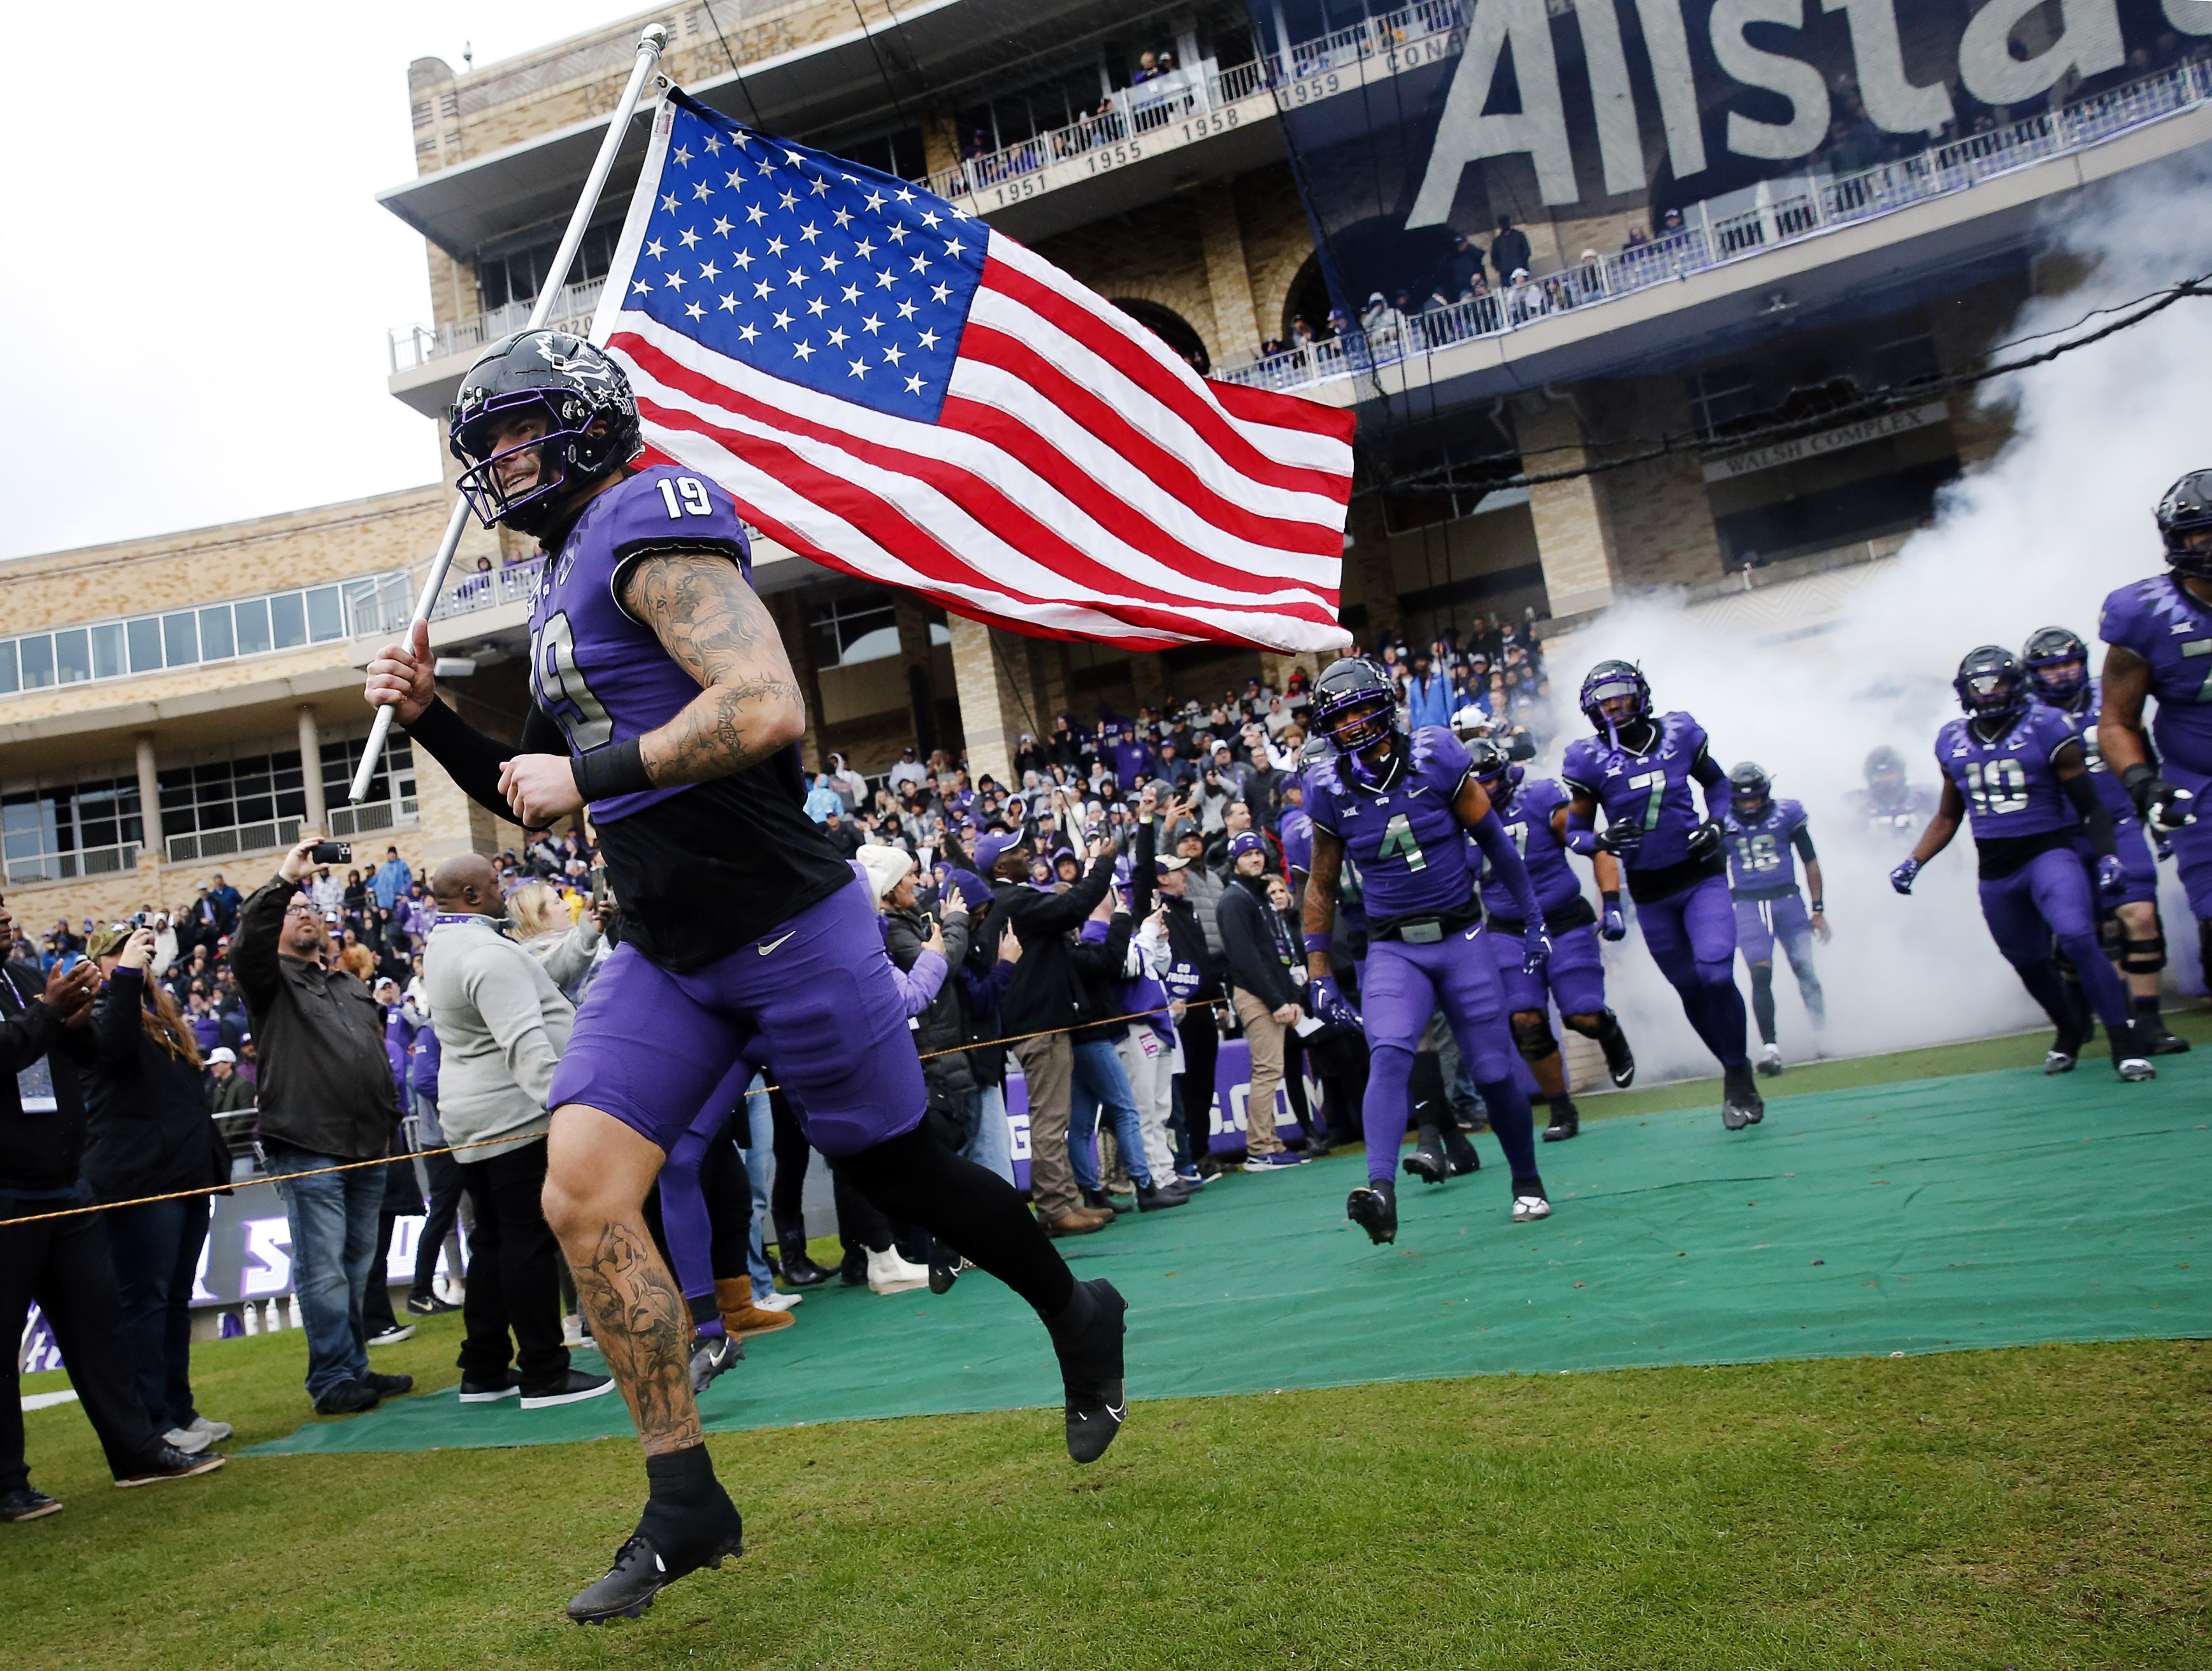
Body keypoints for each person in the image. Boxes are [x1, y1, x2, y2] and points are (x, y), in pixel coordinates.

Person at [365, 329, 1127, 1622]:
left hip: (786, 923)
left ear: (592, 421)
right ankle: (683, 1495)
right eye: (486, 442)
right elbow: (533, 794)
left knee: (903, 1175)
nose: (501, 458)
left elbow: (768, 705)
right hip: (667, 948)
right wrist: (434, 712)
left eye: (519, 429)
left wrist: (593, 776)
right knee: (581, 1197)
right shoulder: (559, 585)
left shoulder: (647, 525)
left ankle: (1073, 1308)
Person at [1300, 659, 1555, 1247]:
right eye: (1344, 715)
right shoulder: (1328, 787)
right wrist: (1317, 971)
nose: (1358, 723)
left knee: (1492, 1071)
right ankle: (1381, 1194)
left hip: (1462, 935)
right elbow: (1320, 883)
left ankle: (1527, 1178)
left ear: (1387, 706)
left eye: (1365, 708)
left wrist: (1534, 918)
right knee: (1388, 1053)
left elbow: (1495, 842)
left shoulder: (1437, 755)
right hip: (1394, 946)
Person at [2, 893, 228, 1523]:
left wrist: (67, 1021)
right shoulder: (39, 992)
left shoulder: (25, 977)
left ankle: (139, 1449)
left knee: (100, 1328)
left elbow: (89, 1051)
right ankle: (8, 1483)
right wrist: (56, 1013)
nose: (4, 916)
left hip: (64, 1183)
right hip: (12, 1194)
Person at [1892, 647, 2153, 1080]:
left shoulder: (2047, 726)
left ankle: (2124, 1045)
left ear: (2017, 685)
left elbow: (2090, 805)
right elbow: (1948, 815)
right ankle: (2069, 1029)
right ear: (1964, 692)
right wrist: (1914, 860)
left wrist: (2107, 854)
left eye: (1998, 684)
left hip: (2048, 853)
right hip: (1995, 869)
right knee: (2027, 960)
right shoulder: (1951, 739)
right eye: (1980, 686)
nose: (1989, 694)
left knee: (2076, 935)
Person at [231, 840, 416, 1416]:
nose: (304, 910)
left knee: (358, 1263)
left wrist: (387, 1123)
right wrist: (285, 878)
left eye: (310, 905)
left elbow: (373, 1061)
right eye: (292, 909)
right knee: (324, 1266)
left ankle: (354, 1365)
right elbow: (247, 946)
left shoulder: (348, 984)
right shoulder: (268, 982)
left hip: (366, 1142)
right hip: (307, 1142)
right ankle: (332, 1377)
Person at [424, 855, 614, 1410]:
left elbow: (535, 982)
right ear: (471, 893)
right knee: (526, 1240)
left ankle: (484, 1367)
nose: (502, 888)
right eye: (492, 883)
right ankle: (544, 1370)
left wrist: (583, 936)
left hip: (474, 1116)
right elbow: (525, 1042)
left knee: (492, 1240)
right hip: (512, 1117)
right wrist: (569, 1107)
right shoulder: (485, 952)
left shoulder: (451, 941)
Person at [1556, 663, 1765, 1131]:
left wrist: (1717, 822)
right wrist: (1603, 840)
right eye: (1605, 701)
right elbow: (1575, 834)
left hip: (1700, 876)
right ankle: (1738, 1068)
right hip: (1650, 892)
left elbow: (1717, 782)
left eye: (1621, 696)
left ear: (1641, 696)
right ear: (1592, 710)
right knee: (1689, 987)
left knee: (1715, 974)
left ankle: (1735, 1074)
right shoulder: (1588, 760)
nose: (1614, 707)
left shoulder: (1680, 733)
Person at [79, 924, 235, 1456]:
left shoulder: (159, 1018)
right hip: (139, 1179)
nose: (139, 961)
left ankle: (179, 1407)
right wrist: (122, 976)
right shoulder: (100, 1014)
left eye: (140, 954)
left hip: (184, 1176)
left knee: (172, 1299)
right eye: (125, 955)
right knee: (145, 1299)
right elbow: (113, 1048)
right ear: (102, 964)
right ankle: (153, 1417)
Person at [2023, 624, 2191, 1058]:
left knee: (2140, 915)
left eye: (2070, 662)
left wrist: (2154, 818)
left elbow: (2143, 754)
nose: (2063, 673)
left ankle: (2149, 1022)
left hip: (2117, 822)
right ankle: (2078, 1010)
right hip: (2057, 834)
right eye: (2052, 666)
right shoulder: (2024, 716)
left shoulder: (2111, 696)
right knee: (2076, 931)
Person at [1465, 740, 1636, 1145]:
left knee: (1582, 1014)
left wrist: (1611, 903)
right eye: (1478, 784)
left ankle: (1609, 1032)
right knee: (1525, 1020)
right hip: (1509, 927)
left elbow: (1595, 844)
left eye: (1492, 780)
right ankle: (1561, 1107)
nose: (1487, 791)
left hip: (1561, 918)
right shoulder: (1456, 819)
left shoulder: (1540, 797)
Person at [2097, 470, 2212, 1012]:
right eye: (2205, 534)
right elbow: (2117, 720)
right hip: (2201, 785)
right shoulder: (2145, 614)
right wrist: (2144, 783)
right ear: (2178, 540)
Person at [1721, 763, 1829, 1076]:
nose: (1750, 806)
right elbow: (1713, 874)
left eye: (1754, 799)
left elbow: (1810, 861)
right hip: (1748, 905)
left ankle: (1823, 1035)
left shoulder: (1788, 814)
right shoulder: (1724, 823)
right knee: (1759, 975)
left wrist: (1818, 909)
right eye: (1744, 801)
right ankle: (1771, 1048)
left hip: (1788, 900)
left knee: (1804, 970)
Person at [1214, 831, 1307, 1171]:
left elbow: (1276, 952)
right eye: (1246, 854)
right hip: (1254, 993)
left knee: (1273, 1069)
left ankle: (1271, 1143)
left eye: (1258, 853)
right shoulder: (1234, 900)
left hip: (1270, 990)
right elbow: (1245, 958)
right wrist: (1275, 999)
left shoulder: (1257, 896)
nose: (1255, 859)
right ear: (1234, 861)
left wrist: (1290, 996)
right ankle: (1260, 1147)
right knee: (1267, 1070)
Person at [1846, 746, 1939, 845]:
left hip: (1921, 857)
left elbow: (1944, 830)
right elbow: (1842, 842)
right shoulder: (1857, 802)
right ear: (1869, 776)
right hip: (1872, 858)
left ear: (1902, 773)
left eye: (1890, 773)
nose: (1885, 779)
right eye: (1878, 774)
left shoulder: (1925, 797)